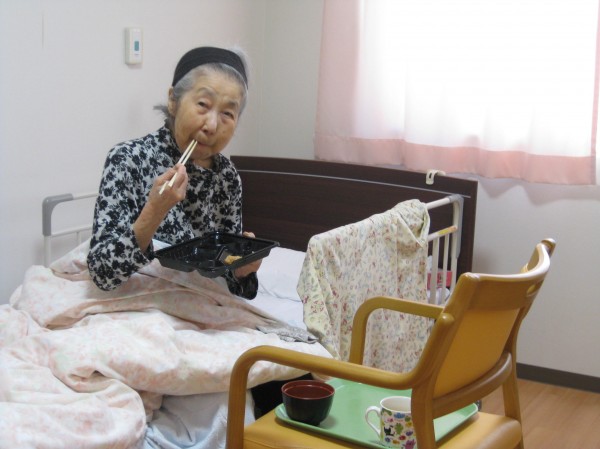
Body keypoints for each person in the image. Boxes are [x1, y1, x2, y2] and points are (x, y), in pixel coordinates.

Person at [87, 46, 260, 298]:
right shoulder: (128, 159)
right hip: (136, 302)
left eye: (227, 113)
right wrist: (154, 212)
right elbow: (102, 273)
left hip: (200, 304)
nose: (211, 125)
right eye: (203, 104)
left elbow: (228, 282)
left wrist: (241, 272)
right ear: (173, 101)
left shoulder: (227, 177)